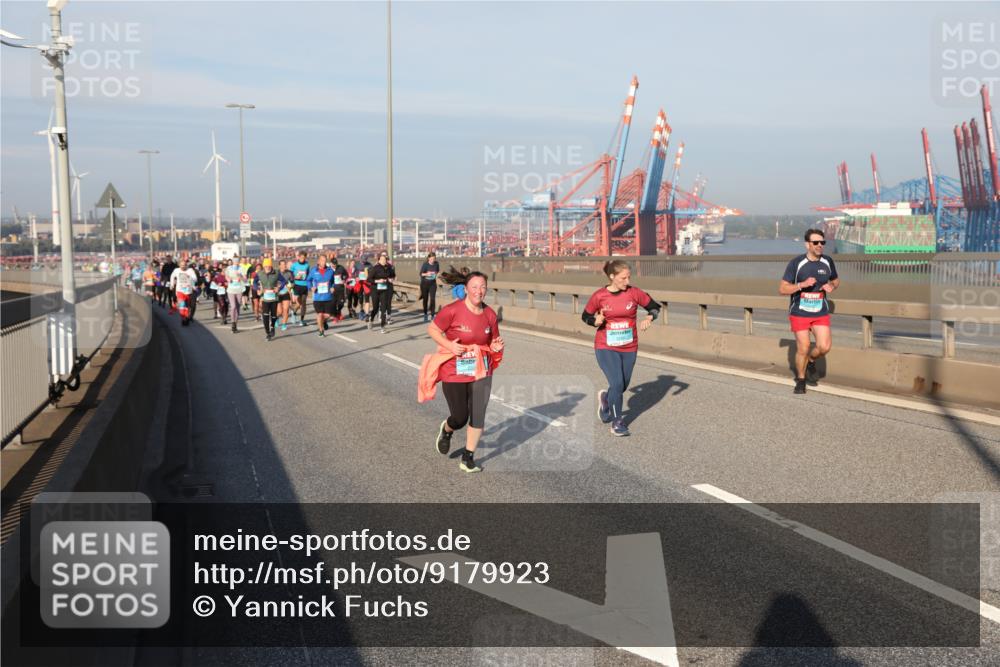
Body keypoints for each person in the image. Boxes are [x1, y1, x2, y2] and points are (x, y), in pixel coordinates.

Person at [421, 269, 504, 473]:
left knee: (478, 414)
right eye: (474, 287)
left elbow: (493, 341)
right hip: (455, 368)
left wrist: (496, 346)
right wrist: (449, 345)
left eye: (483, 287)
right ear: (465, 289)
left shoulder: (490, 314)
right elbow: (432, 329)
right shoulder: (452, 310)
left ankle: (468, 458)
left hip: (481, 368)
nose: (479, 291)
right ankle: (447, 430)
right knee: (460, 417)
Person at [581, 260, 661, 437]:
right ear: (612, 277)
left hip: (629, 347)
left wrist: (649, 317)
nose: (627, 281)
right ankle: (618, 422)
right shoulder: (600, 296)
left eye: (629, 277)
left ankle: (606, 400)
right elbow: (585, 316)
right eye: (623, 278)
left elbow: (655, 307)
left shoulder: (634, 293)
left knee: (622, 385)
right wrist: (595, 321)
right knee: (616, 383)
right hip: (606, 346)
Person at [780, 228, 840, 394]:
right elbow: (782, 289)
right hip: (800, 312)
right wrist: (801, 285)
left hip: (820, 312)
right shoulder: (796, 263)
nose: (820, 245)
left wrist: (832, 286)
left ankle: (811, 361)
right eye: (816, 242)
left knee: (824, 347)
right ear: (807, 244)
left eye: (822, 242)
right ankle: (800, 379)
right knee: (803, 347)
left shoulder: (827, 261)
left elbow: (836, 280)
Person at [254, 258, 287, 341]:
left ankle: (272, 326)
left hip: (274, 298)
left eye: (269, 266)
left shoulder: (276, 272)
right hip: (264, 298)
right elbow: (254, 283)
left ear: (271, 266)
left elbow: (284, 281)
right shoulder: (260, 273)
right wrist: (258, 289)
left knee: (273, 315)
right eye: (266, 266)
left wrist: (279, 288)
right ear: (264, 266)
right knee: (265, 315)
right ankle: (267, 333)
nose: (267, 268)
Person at [307, 254, 335, 337]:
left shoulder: (330, 271)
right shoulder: (313, 271)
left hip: (328, 297)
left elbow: (333, 281)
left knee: (328, 315)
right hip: (317, 297)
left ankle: (324, 321)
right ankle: (321, 331)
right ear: (318, 261)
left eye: (325, 260)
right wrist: (311, 287)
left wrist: (333, 287)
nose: (324, 262)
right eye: (322, 260)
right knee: (319, 314)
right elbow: (308, 280)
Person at [367, 252, 395, 333]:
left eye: (385, 259)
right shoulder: (375, 268)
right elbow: (368, 279)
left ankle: (382, 327)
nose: (383, 261)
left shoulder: (389, 268)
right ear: (379, 260)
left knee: (383, 309)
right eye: (382, 259)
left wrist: (391, 279)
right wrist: (377, 281)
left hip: (384, 290)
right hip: (375, 290)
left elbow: (393, 275)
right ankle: (371, 320)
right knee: (375, 308)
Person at [169, 258, 200, 326]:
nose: (183, 266)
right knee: (182, 305)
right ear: (179, 265)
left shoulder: (190, 270)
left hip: (189, 291)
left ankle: (186, 317)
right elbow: (172, 276)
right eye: (182, 265)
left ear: (186, 265)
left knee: (188, 306)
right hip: (180, 291)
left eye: (184, 265)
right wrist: (171, 284)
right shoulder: (176, 270)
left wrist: (190, 278)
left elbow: (195, 279)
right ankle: (183, 318)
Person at [225, 258, 248, 333]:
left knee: (237, 307)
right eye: (234, 261)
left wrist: (240, 276)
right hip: (231, 290)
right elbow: (226, 276)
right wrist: (229, 279)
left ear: (239, 262)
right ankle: (232, 323)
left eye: (237, 261)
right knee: (233, 306)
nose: (236, 262)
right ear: (232, 262)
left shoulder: (242, 269)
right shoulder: (228, 268)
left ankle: (235, 324)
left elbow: (245, 280)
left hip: (239, 289)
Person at [289, 251, 311, 326]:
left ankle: (302, 320)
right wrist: (294, 278)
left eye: (303, 257)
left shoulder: (307, 265)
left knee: (304, 303)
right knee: (299, 303)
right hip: (297, 285)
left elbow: (308, 275)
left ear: (305, 257)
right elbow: (290, 274)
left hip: (304, 285)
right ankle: (294, 311)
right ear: (298, 257)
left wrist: (309, 284)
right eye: (301, 257)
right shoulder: (294, 265)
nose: (302, 259)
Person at [419, 251, 440, 323]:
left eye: (434, 259)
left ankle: (432, 315)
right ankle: (425, 314)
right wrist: (427, 274)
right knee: (425, 299)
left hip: (433, 284)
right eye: (431, 259)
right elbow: (421, 274)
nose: (433, 260)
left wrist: (436, 274)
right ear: (428, 258)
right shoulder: (425, 264)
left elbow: (437, 271)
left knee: (433, 299)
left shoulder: (436, 264)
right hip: (425, 283)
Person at [278, 259, 294, 331]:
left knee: (286, 309)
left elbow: (293, 282)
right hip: (277, 294)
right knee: (279, 312)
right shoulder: (276, 273)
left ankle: (284, 324)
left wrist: (290, 286)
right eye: (281, 265)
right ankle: (276, 318)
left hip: (286, 293)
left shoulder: (290, 273)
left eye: (284, 264)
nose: (283, 266)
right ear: (279, 266)